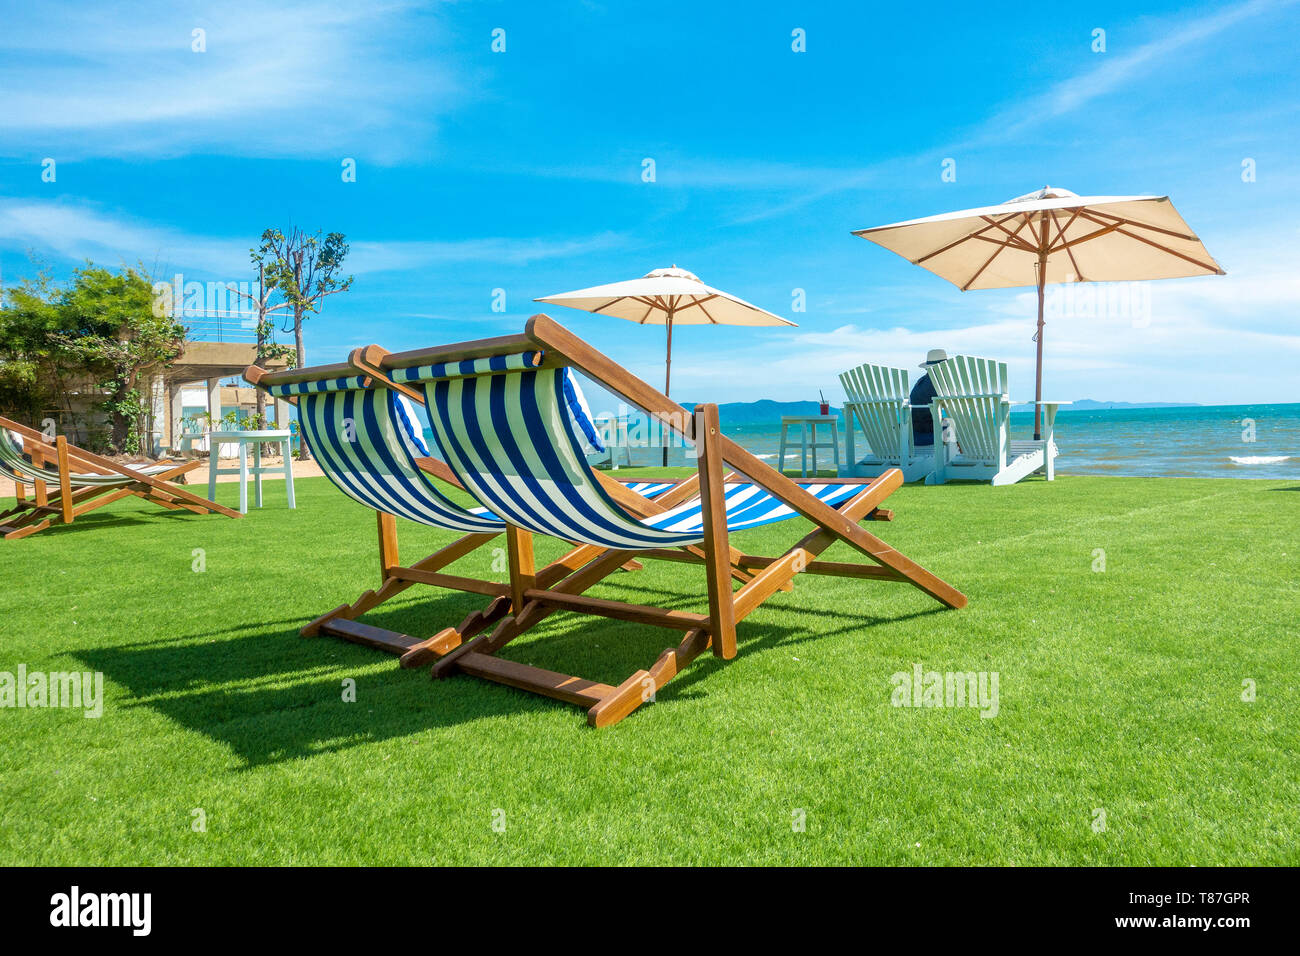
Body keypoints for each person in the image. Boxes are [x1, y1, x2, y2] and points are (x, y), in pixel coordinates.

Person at [910, 349, 948, 446]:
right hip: (929, 432)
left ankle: (957, 454)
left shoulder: (920, 382)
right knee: (960, 425)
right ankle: (963, 456)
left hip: (914, 431)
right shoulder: (937, 383)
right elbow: (952, 407)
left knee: (947, 422)